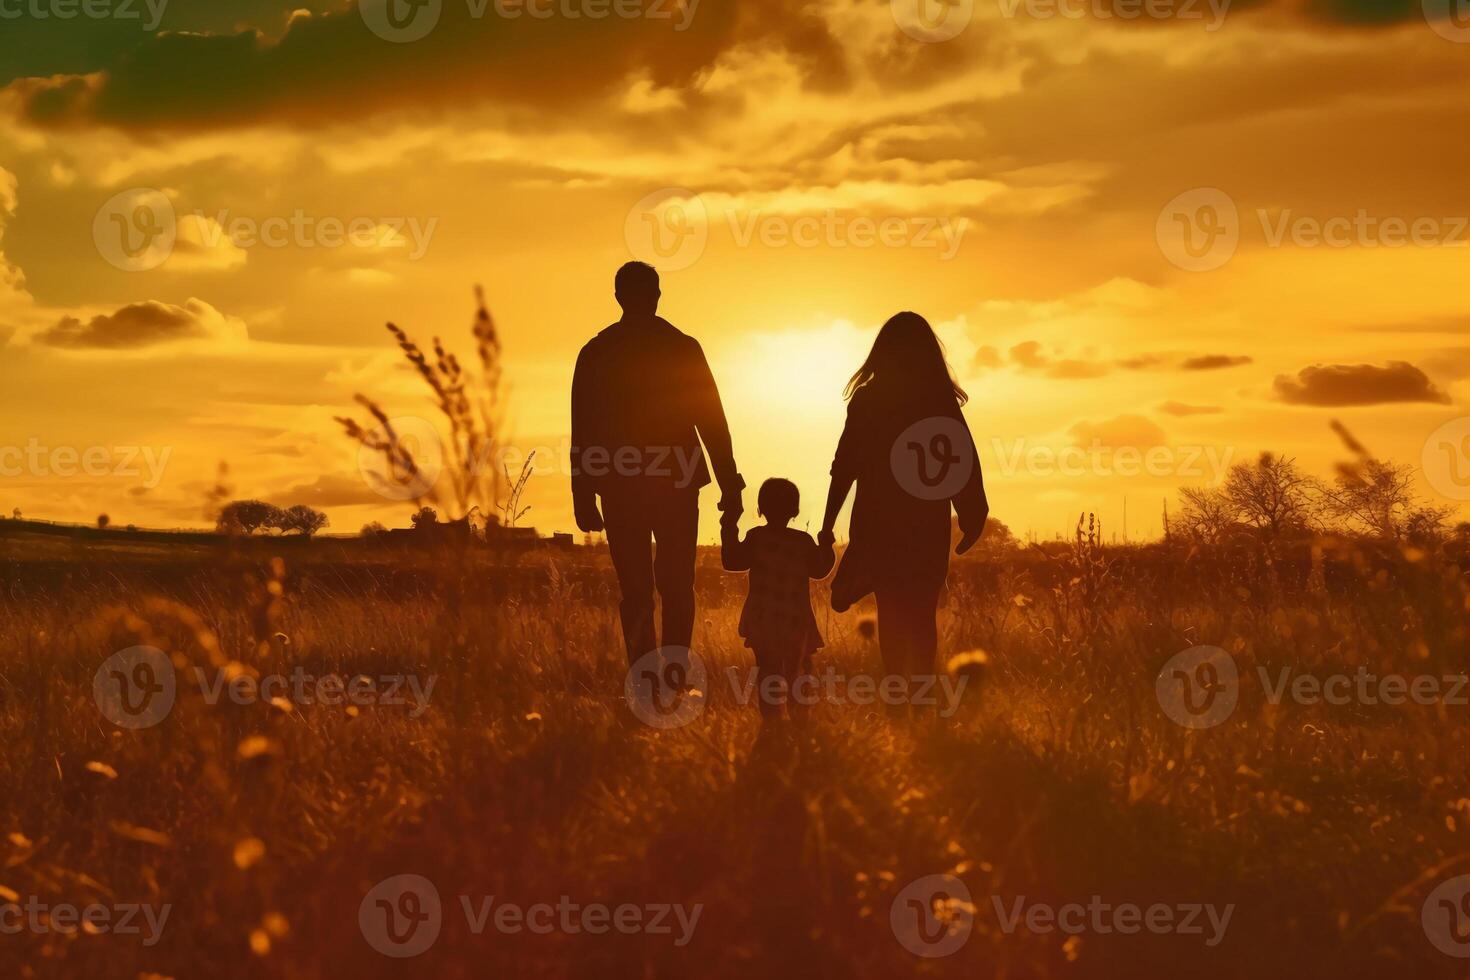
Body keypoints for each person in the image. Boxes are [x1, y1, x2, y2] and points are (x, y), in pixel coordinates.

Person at [571, 262, 745, 667]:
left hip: (621, 484)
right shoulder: (682, 347)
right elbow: (713, 421)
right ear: (658, 295)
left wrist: (582, 493)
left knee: (636, 588)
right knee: (677, 585)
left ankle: (646, 674)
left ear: (618, 297)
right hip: (674, 483)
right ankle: (674, 673)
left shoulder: (597, 352)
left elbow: (582, 428)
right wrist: (729, 485)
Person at [818, 312, 987, 709]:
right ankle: (920, 699)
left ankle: (899, 700)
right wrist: (972, 512)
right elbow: (962, 457)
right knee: (921, 612)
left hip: (878, 522)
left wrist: (827, 525)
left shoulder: (870, 399)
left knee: (892, 611)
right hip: (926, 523)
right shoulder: (937, 398)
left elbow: (845, 465)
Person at [721, 478, 835, 724]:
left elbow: (731, 561)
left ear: (760, 508)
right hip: (796, 619)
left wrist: (728, 525)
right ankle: (800, 719)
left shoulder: (756, 538)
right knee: (800, 672)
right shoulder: (802, 542)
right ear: (795, 511)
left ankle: (771, 720)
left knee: (768, 671)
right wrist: (826, 544)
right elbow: (820, 570)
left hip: (763, 619)